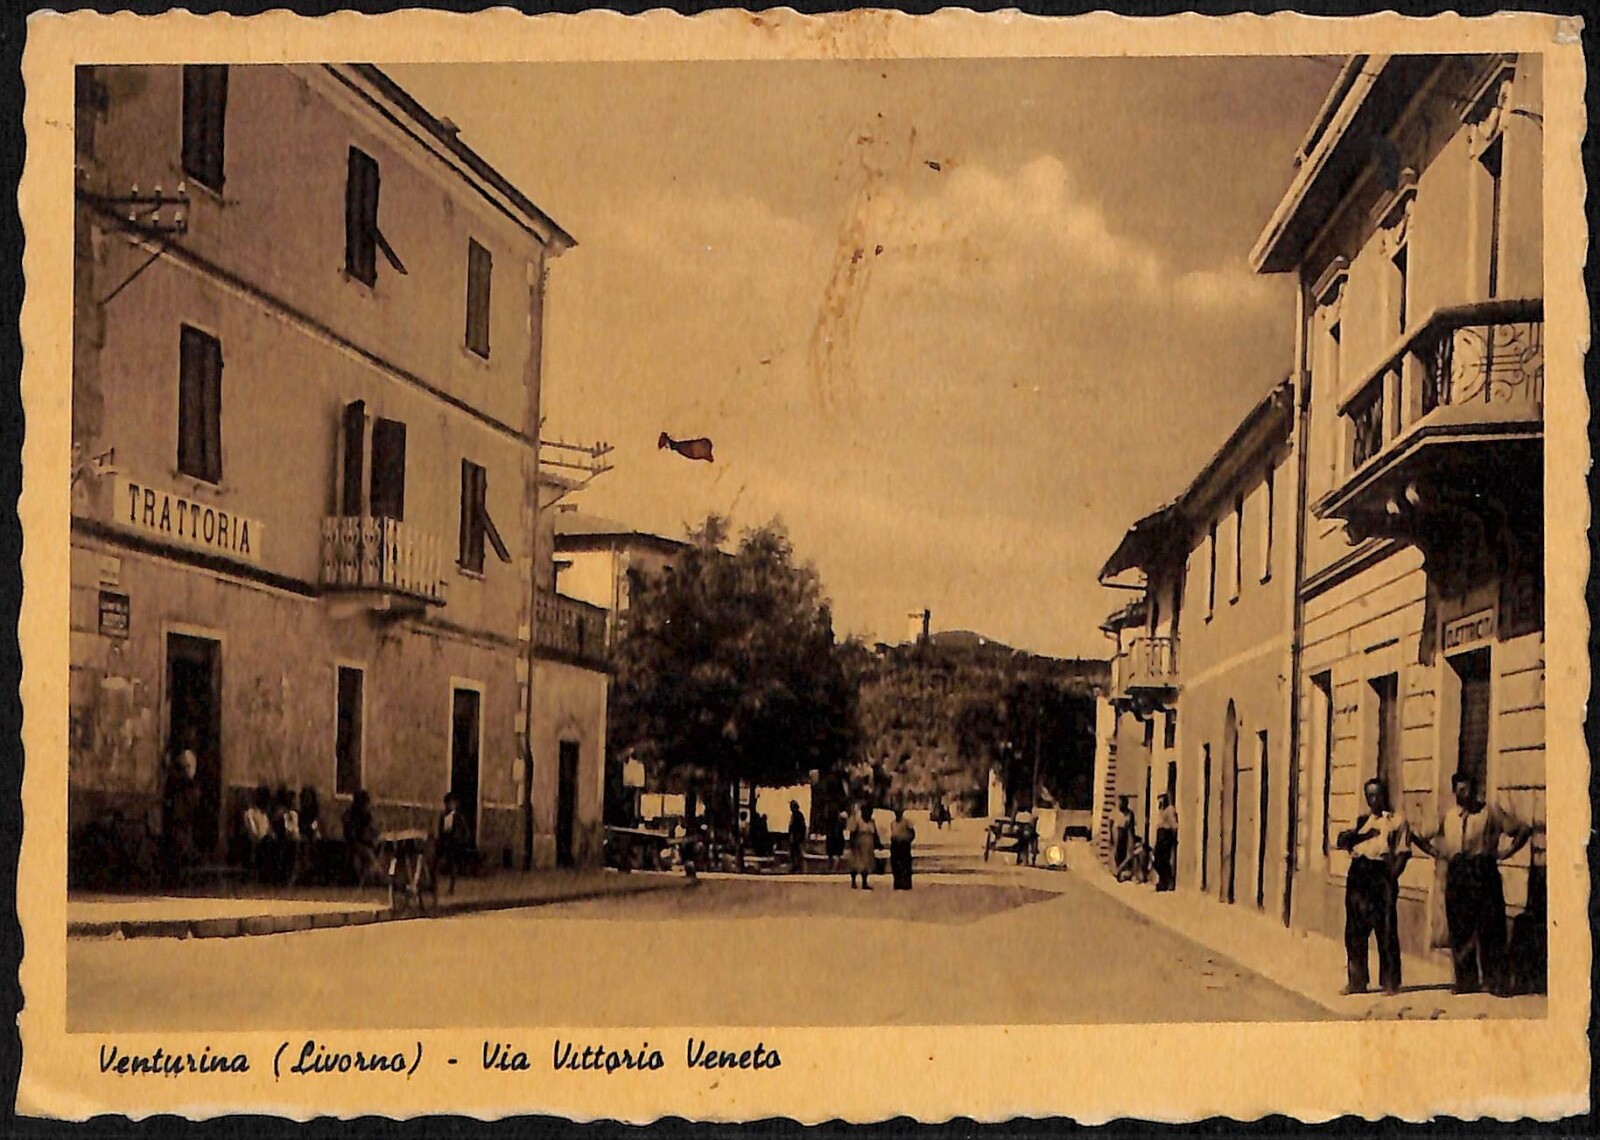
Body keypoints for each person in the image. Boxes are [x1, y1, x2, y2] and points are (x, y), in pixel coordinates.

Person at [1411, 771, 1533, 996]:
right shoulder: (1448, 816)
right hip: (1458, 872)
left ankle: (1495, 981)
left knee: (1491, 926)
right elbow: (1417, 835)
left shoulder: (1490, 812)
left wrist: (1506, 853)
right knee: (1460, 927)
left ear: (1474, 790)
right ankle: (1466, 981)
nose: (1463, 793)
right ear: (1454, 791)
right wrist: (1437, 853)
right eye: (1458, 789)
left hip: (1483, 870)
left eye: (1466, 789)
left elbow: (1522, 829)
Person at [1335, 778, 1411, 995]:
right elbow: (1342, 842)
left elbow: (1403, 853)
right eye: (1369, 795)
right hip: (1359, 875)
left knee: (1385, 929)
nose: (1373, 799)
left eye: (1377, 794)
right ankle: (1357, 981)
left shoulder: (1396, 821)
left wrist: (1391, 877)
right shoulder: (1362, 822)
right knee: (1354, 930)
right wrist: (1357, 835)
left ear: (1385, 795)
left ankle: (1390, 982)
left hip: (1381, 874)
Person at [161, 741, 203, 884]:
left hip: (181, 812)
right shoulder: (179, 779)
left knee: (181, 842)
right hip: (179, 813)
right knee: (179, 842)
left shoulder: (183, 777)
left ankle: (181, 874)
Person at [437, 791, 473, 895]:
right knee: (440, 864)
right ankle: (436, 886)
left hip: (455, 844)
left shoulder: (459, 817)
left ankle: (451, 888)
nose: (450, 805)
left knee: (453, 866)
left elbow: (465, 831)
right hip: (445, 843)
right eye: (448, 803)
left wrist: (462, 840)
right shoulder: (443, 816)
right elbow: (440, 830)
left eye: (452, 803)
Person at [343, 789, 381, 886]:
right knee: (366, 855)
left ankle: (373, 875)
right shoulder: (351, 816)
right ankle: (375, 874)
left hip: (366, 844)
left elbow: (374, 830)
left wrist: (372, 836)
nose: (368, 807)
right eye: (367, 804)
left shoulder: (367, 816)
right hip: (355, 844)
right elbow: (351, 835)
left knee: (371, 853)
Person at [240, 784, 274, 881]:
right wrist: (260, 838)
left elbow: (268, 828)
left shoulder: (264, 814)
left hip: (264, 839)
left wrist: (271, 835)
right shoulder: (250, 813)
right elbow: (252, 829)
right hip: (257, 840)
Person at [847, 804, 882, 890]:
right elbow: (853, 833)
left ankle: (864, 882)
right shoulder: (858, 821)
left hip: (869, 844)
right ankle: (853, 881)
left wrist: (878, 844)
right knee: (856, 863)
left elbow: (875, 834)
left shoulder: (871, 822)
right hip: (859, 844)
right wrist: (852, 843)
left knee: (867, 864)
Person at [1154, 794, 1180, 892]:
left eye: (1162, 798)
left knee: (1163, 860)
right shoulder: (1161, 810)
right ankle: (1163, 880)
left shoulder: (1170, 809)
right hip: (1160, 836)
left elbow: (1174, 825)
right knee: (1156, 860)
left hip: (1166, 836)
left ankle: (1167, 881)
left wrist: (1171, 837)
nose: (1160, 801)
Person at [1113, 796, 1141, 882]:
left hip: (1126, 834)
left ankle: (1119, 870)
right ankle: (1119, 871)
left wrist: (1131, 840)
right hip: (1117, 834)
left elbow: (1130, 829)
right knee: (1117, 854)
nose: (1119, 804)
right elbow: (1112, 826)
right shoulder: (1116, 813)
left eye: (1121, 803)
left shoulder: (1129, 814)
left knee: (1127, 854)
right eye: (1118, 802)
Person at [889, 806, 916, 891]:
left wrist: (908, 840)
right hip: (895, 845)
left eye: (899, 812)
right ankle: (897, 882)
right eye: (896, 812)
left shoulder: (907, 822)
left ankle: (906, 883)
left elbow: (912, 833)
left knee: (905, 864)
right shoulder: (893, 823)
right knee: (895, 864)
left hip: (904, 844)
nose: (897, 814)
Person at [787, 801, 808, 874]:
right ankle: (795, 866)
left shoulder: (798, 815)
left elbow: (801, 827)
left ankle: (797, 867)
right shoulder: (795, 815)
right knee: (794, 853)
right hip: (795, 837)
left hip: (797, 837)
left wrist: (799, 836)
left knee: (796, 853)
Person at [825, 807, 847, 872]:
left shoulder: (830, 823)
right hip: (838, 839)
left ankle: (831, 869)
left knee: (831, 856)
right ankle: (833, 869)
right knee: (837, 856)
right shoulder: (839, 823)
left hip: (833, 839)